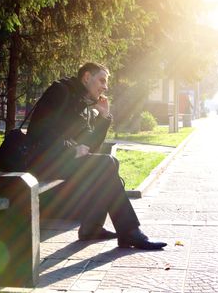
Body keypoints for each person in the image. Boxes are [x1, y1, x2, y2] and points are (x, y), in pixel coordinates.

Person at [25, 62, 166, 250]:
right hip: (40, 160)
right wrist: (70, 150)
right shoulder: (60, 92)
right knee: (105, 163)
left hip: (59, 160)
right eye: (102, 80)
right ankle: (129, 231)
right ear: (86, 77)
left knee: (110, 162)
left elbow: (90, 144)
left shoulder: (82, 101)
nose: (105, 87)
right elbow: (39, 132)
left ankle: (92, 227)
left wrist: (104, 116)